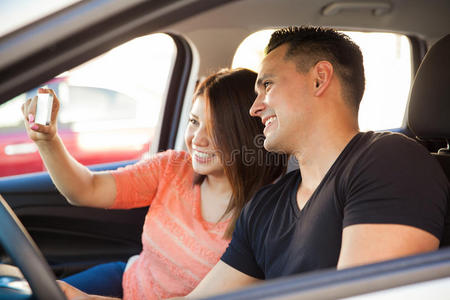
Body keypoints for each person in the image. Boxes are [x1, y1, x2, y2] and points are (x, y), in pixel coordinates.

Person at [176, 26, 448, 298]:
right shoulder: (263, 207)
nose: (254, 107)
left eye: (267, 85)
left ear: (319, 79)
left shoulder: (390, 161)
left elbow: (364, 295)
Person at [22, 68, 287, 299]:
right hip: (126, 280)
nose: (198, 139)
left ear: (246, 133)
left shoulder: (265, 216)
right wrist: (47, 141)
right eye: (194, 122)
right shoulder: (172, 167)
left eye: (216, 128)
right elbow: (86, 189)